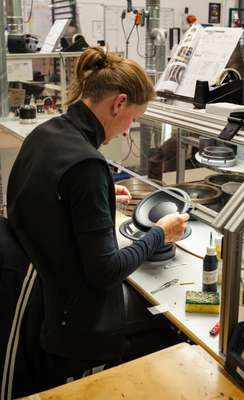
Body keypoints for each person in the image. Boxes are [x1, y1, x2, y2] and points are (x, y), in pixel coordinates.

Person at [6, 47, 189, 395]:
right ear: (119, 103)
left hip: (33, 295)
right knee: (167, 328)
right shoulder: (87, 164)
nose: (126, 131)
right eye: (133, 119)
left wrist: (102, 199)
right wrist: (159, 234)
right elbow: (105, 270)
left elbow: (47, 201)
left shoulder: (46, 134)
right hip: (70, 319)